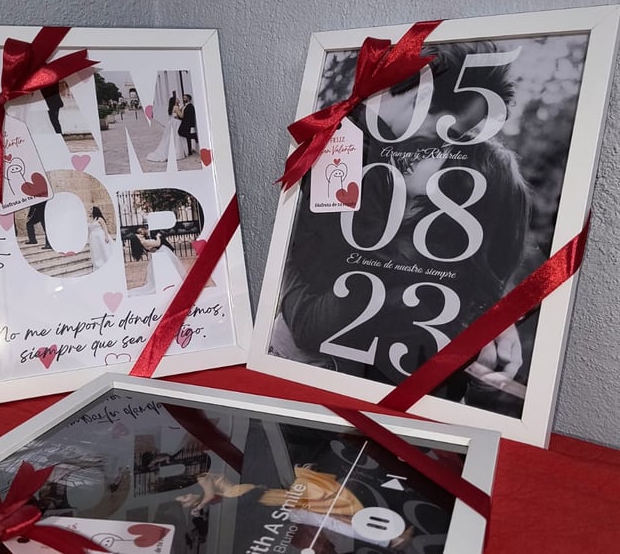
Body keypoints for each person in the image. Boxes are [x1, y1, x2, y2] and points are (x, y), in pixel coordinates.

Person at [273, 40, 529, 407]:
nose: (444, 149)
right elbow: (307, 291)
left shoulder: (475, 192)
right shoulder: (351, 152)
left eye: (452, 145)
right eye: (447, 138)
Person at [177, 468, 415, 551]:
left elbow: (210, 493)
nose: (186, 499)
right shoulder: (220, 493)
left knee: (332, 515)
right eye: (185, 499)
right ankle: (388, 537)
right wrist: (199, 501)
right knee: (330, 518)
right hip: (281, 505)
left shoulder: (215, 485)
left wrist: (199, 501)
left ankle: (387, 536)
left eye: (184, 495)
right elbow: (213, 494)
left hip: (281, 500)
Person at [128, 225, 186, 295]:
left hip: (162, 251)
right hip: (162, 251)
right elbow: (157, 243)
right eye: (139, 235)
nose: (141, 235)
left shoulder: (144, 241)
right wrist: (158, 236)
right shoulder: (144, 242)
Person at [147, 91, 187, 162]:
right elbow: (181, 116)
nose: (178, 99)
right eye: (177, 99)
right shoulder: (176, 107)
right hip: (176, 122)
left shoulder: (172, 107)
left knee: (172, 137)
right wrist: (183, 109)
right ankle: (177, 152)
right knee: (176, 137)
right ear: (175, 101)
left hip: (172, 122)